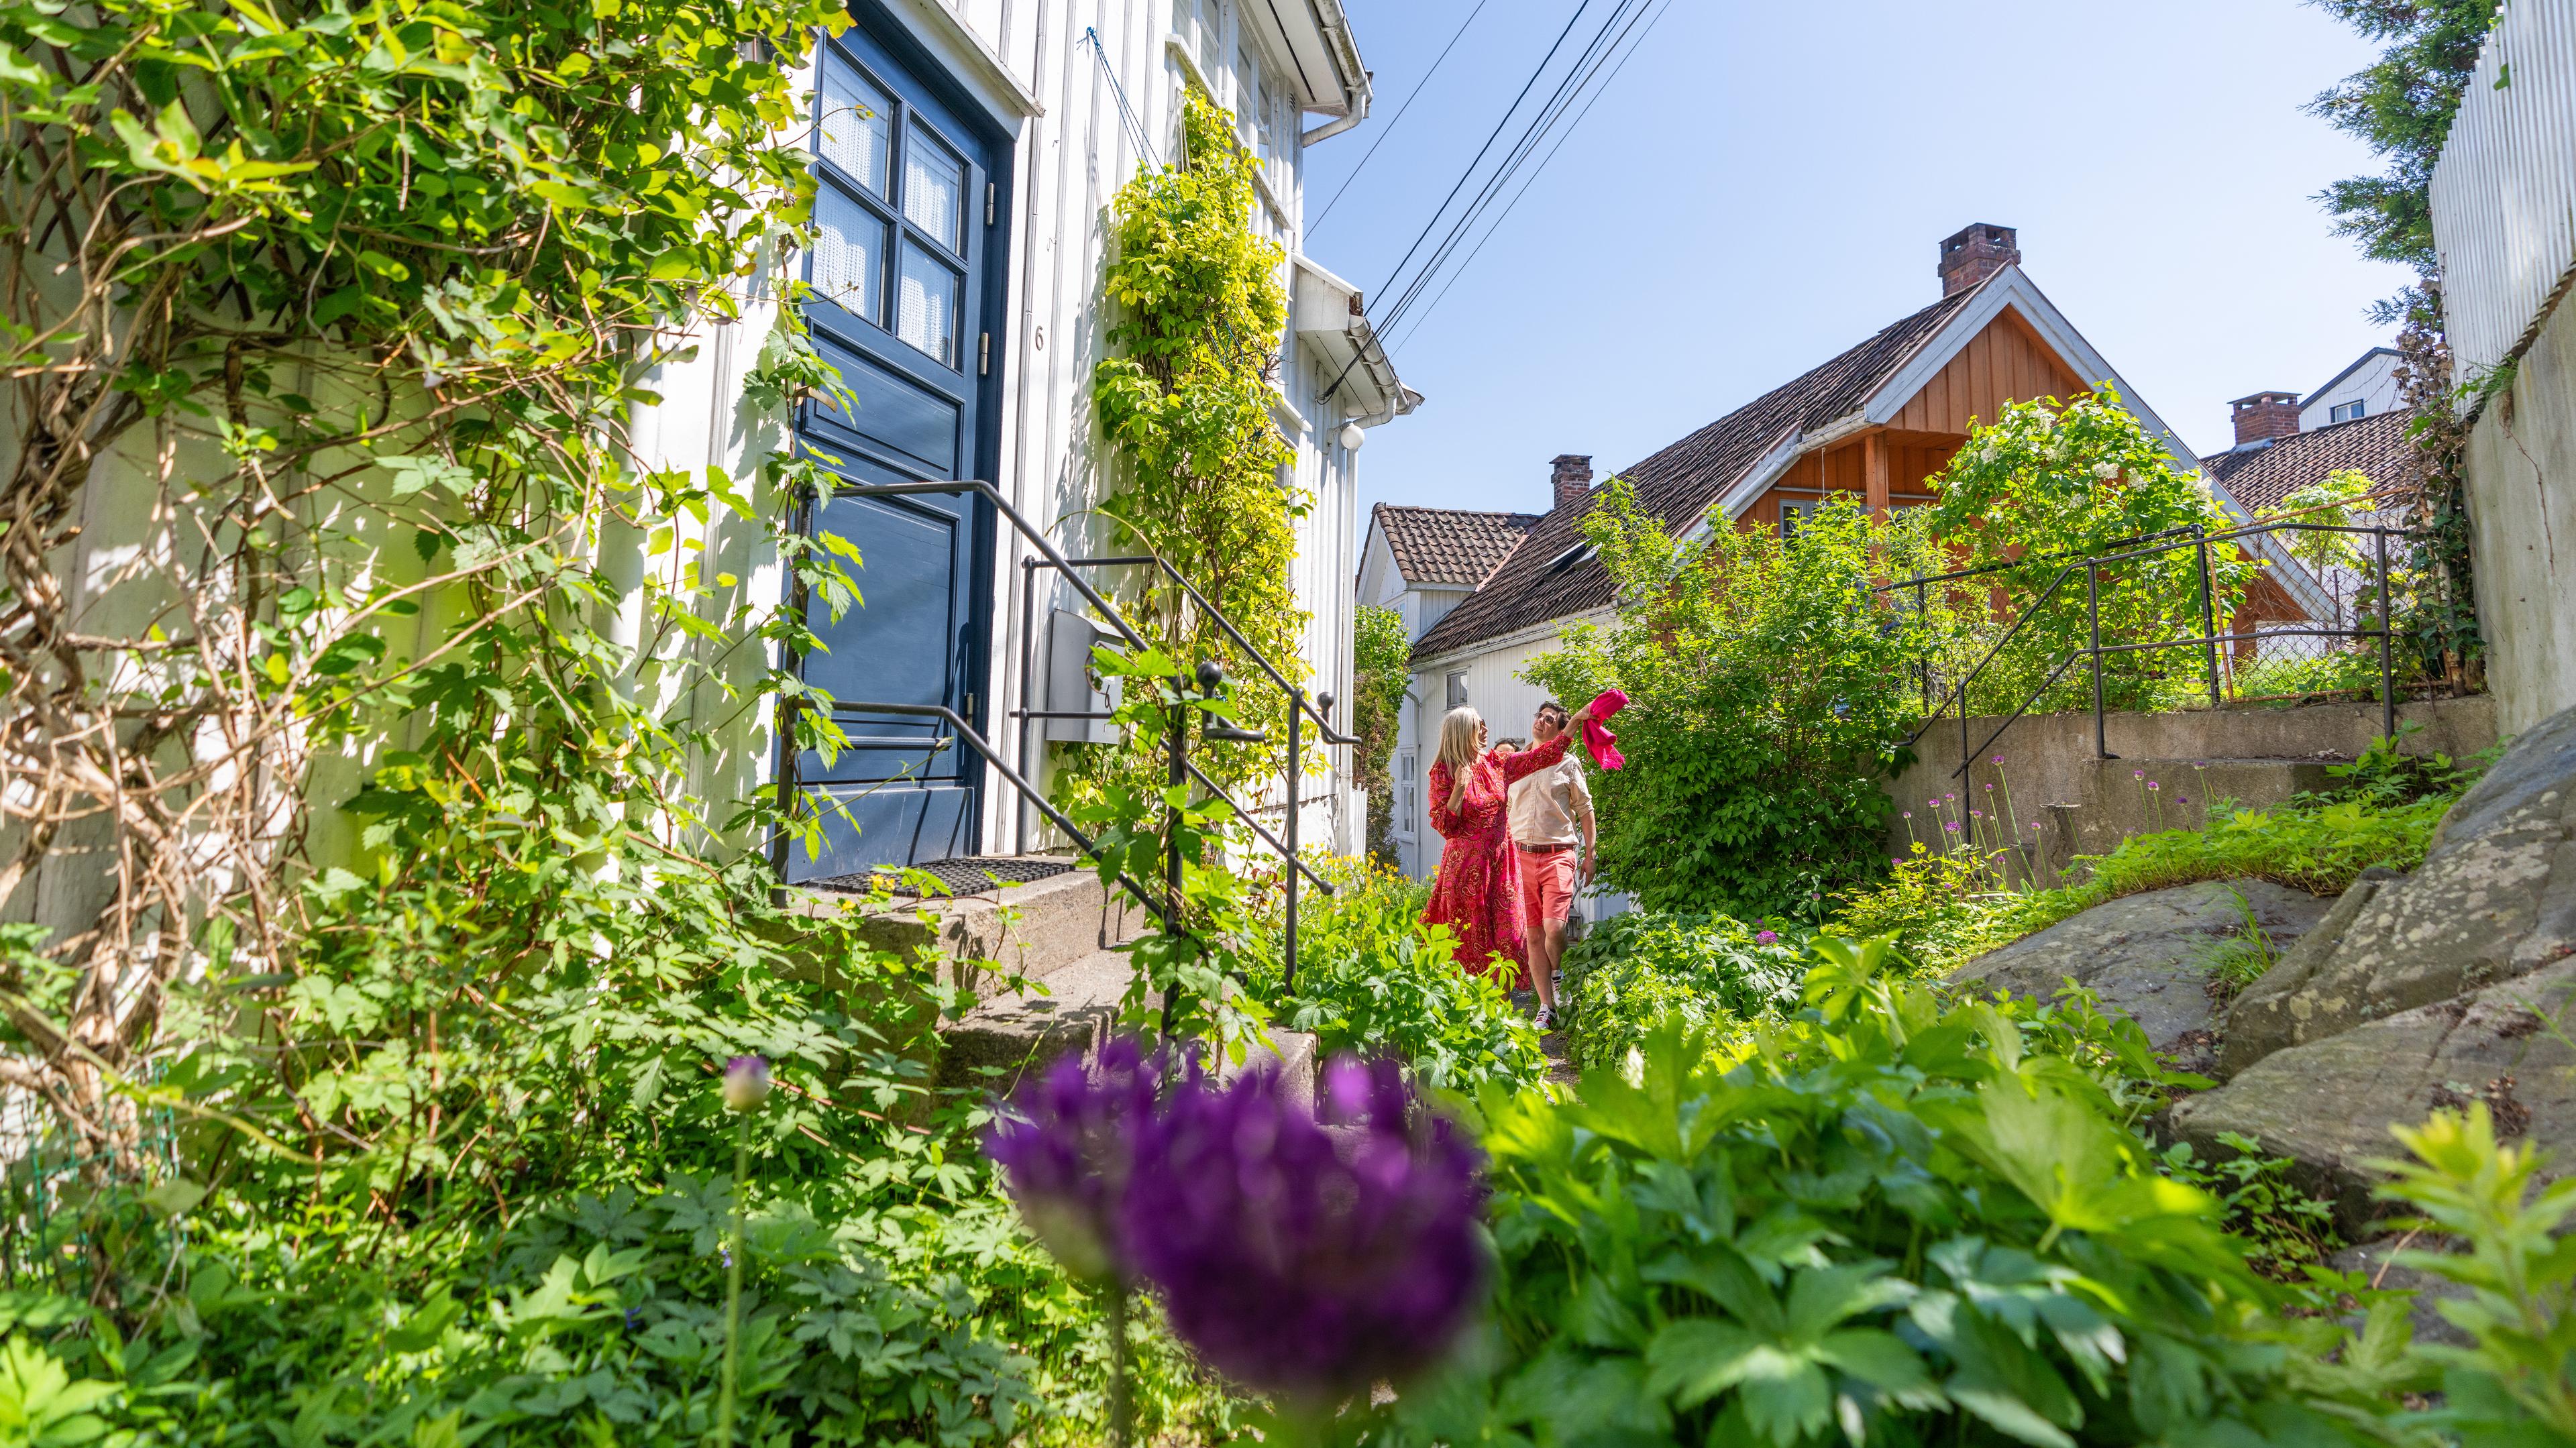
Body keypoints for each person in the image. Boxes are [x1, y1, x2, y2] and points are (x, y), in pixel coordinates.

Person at [1422, 702, 1588, 987]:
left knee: (1509, 941)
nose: (1485, 729)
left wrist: (1574, 723)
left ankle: (1499, 1013)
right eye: (1479, 724)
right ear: (1464, 732)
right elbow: (1444, 826)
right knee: (1467, 945)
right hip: (1465, 874)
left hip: (1502, 869)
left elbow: (1544, 756)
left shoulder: (1496, 764)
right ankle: (1468, 1014)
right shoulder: (1443, 772)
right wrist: (1460, 789)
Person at [1507, 702, 1594, 1030]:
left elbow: (1585, 810)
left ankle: (1558, 973)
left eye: (1548, 720)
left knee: (1554, 928)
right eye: (1538, 717)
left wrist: (1590, 854)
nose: (1540, 723)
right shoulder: (1516, 763)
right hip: (1521, 855)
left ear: (1560, 729)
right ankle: (1546, 1006)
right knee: (1532, 935)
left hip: (1558, 852)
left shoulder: (1569, 764)